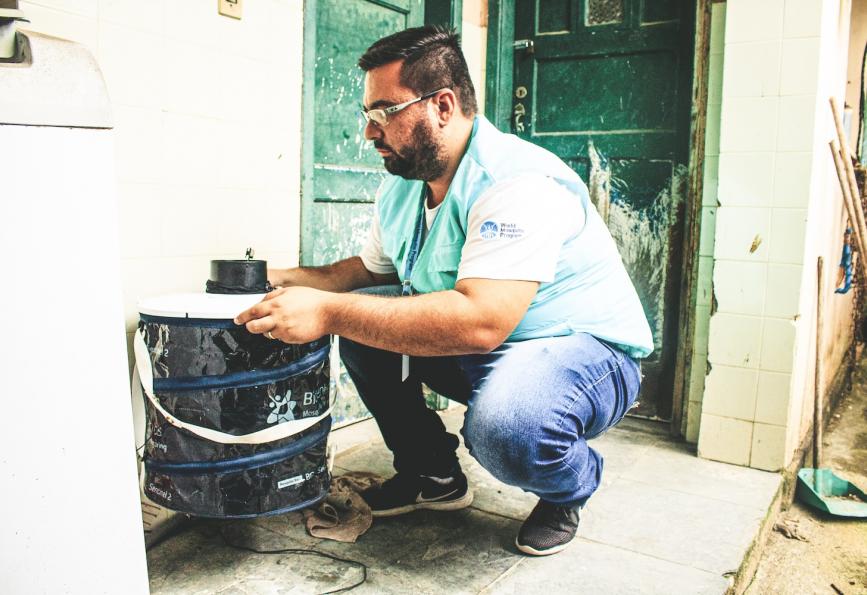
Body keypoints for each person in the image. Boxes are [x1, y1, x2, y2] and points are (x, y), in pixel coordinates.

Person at [235, 25, 653, 556]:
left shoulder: (515, 182)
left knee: (506, 425)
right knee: (366, 326)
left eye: (383, 113)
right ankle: (433, 477)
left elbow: (481, 322)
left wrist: (328, 312)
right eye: (368, 116)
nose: (369, 132)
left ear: (442, 105)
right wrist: (279, 279)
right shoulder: (405, 188)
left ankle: (569, 486)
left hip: (585, 354)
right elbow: (363, 272)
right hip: (492, 351)